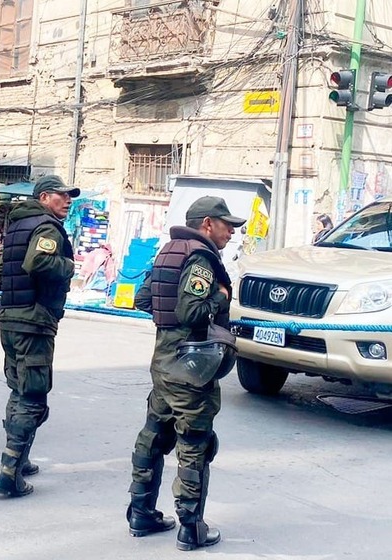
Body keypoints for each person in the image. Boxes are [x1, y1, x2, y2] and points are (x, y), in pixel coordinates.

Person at [127, 196, 245, 551]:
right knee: (194, 443)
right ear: (208, 224)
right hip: (190, 364)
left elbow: (144, 299)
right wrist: (221, 297)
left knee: (153, 436)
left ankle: (140, 513)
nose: (231, 233)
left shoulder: (168, 250)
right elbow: (193, 311)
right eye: (227, 225)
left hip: (163, 361)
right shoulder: (200, 258)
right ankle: (191, 528)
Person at [0, 175, 79, 497]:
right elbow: (39, 261)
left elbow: (4, 269)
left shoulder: (16, 226)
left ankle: (19, 458)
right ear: (44, 197)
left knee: (18, 389)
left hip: (11, 317)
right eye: (62, 195)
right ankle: (9, 471)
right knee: (33, 396)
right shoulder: (46, 227)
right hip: (33, 321)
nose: (68, 200)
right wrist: (70, 266)